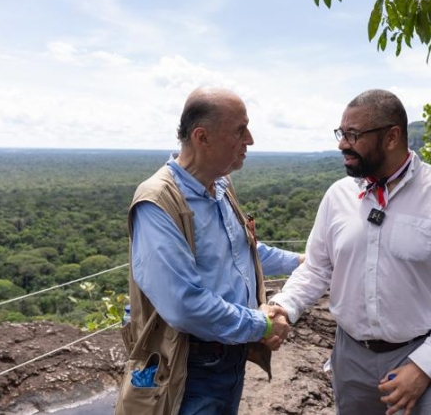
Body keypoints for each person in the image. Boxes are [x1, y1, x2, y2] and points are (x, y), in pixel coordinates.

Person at [268, 89, 431, 415]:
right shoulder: (337, 196)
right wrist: (284, 306)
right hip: (351, 358)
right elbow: (316, 268)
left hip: (426, 350)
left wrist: (424, 366)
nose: (343, 143)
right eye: (342, 133)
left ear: (392, 137)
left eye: (353, 135)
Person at [114, 87, 301, 415]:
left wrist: (299, 262)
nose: (251, 139)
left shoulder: (220, 186)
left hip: (230, 354)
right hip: (190, 366)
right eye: (239, 130)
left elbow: (245, 253)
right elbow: (185, 305)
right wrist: (262, 325)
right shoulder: (158, 203)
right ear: (202, 137)